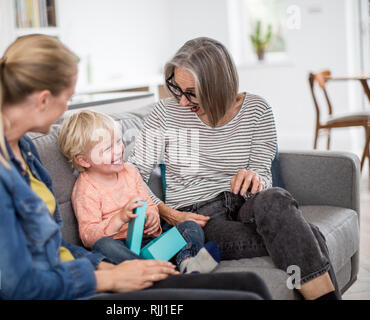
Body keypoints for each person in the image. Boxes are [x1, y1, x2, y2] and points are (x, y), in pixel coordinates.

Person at [0, 34, 271, 300]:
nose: (67, 108)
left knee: (253, 283)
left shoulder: (24, 150)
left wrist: (105, 265)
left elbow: (54, 248)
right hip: (62, 289)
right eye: (69, 97)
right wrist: (108, 276)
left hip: (76, 271)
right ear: (44, 98)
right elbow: (18, 284)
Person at [128, 37, 341, 300]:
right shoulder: (163, 114)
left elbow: (262, 172)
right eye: (177, 89)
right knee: (309, 234)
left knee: (274, 198)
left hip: (245, 204)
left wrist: (255, 178)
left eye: (192, 93)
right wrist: (167, 213)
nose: (183, 102)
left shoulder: (257, 110)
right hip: (199, 218)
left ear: (218, 86)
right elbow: (132, 173)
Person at [58, 110, 221, 274]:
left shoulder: (130, 171)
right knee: (102, 245)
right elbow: (87, 236)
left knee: (190, 227)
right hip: (120, 249)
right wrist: (119, 219)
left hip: (152, 243)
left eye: (118, 141)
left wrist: (152, 217)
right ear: (84, 160)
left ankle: (187, 262)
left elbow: (149, 204)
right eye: (107, 148)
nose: (118, 150)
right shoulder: (86, 189)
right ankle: (148, 270)